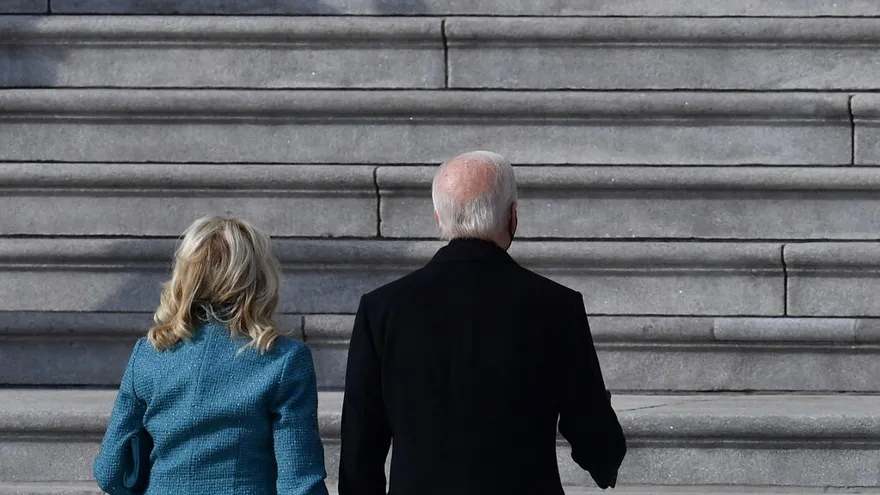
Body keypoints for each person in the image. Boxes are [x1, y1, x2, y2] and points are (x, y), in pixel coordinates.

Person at [339, 151, 626, 494]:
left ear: (438, 218)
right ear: (512, 217)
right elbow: (596, 438)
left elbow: (360, 448)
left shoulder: (381, 309)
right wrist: (604, 454)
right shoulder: (557, 306)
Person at [93, 216, 328, 495]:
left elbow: (111, 472)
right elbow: (299, 481)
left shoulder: (149, 355)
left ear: (183, 277)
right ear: (258, 279)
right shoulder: (284, 360)